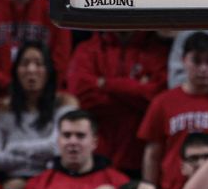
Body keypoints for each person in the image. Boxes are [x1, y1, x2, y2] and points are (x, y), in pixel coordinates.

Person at [138, 31, 208, 189]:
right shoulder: (163, 102)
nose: (203, 68)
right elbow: (152, 154)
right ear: (183, 60)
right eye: (197, 60)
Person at [67, 31, 171, 175]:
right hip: (96, 156)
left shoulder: (157, 51)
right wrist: (136, 90)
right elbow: (82, 96)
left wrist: (104, 84)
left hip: (139, 157)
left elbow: (156, 98)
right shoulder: (87, 49)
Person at [0, 42, 78, 189]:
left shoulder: (64, 104)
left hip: (54, 182)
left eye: (39, 64)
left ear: (48, 71)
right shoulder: (4, 110)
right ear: (16, 71)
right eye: (25, 63)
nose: (31, 69)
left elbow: (58, 147)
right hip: (13, 184)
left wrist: (14, 148)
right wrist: (38, 162)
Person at [19, 109, 129, 189]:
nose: (73, 141)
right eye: (66, 135)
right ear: (58, 140)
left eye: (80, 136)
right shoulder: (36, 186)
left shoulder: (119, 183)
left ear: (94, 142)